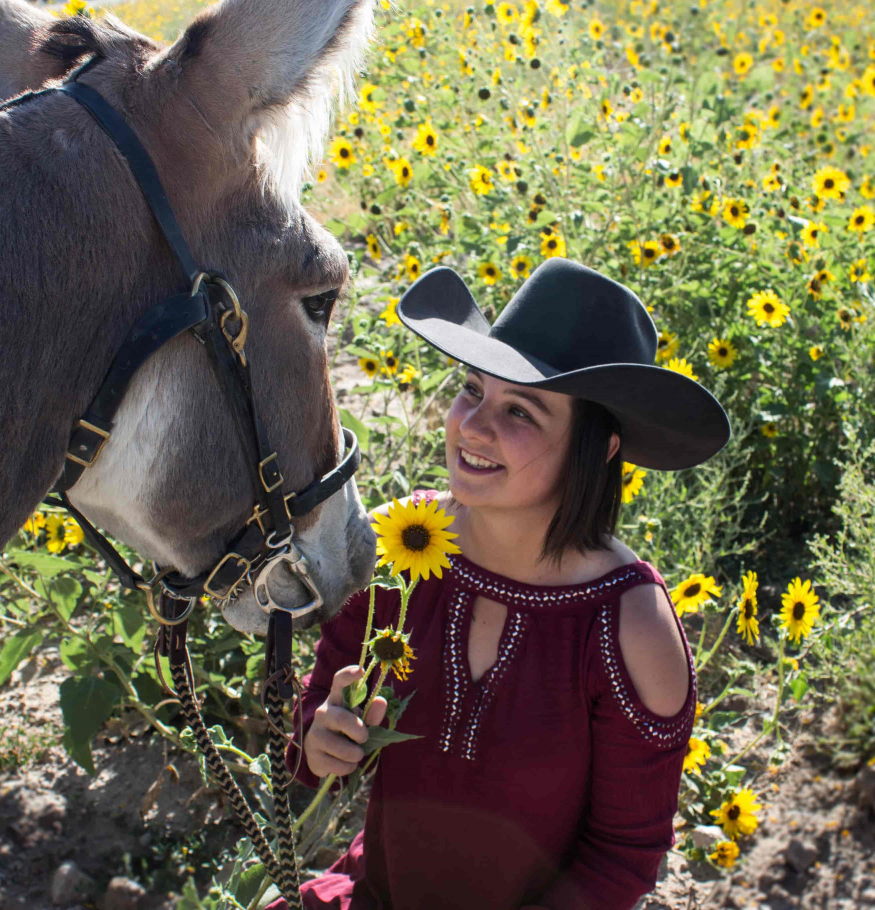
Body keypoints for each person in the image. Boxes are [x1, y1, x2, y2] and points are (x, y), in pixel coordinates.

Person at [268, 258, 732, 910]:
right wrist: (323, 741)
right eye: (472, 390)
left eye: (522, 411)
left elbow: (622, 860)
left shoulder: (628, 626)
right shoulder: (399, 547)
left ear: (599, 450)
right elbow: (309, 747)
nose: (474, 426)